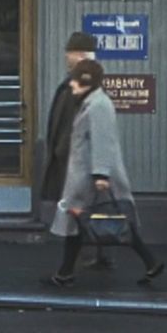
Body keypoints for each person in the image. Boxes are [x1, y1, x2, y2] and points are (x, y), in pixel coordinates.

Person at [42, 59, 165, 288]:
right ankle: (150, 262)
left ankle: (65, 274)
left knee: (92, 221)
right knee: (83, 222)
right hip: (86, 175)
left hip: (90, 178)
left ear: (86, 82)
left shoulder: (98, 105)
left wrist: (100, 175)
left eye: (75, 81)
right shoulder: (91, 102)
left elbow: (103, 141)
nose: (71, 85)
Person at [39, 31, 109, 270]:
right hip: (72, 158)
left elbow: (75, 124)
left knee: (78, 211)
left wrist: (63, 152)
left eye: (69, 52)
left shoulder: (81, 84)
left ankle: (78, 264)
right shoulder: (82, 81)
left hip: (73, 160)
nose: (66, 56)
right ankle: (90, 257)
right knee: (79, 211)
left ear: (79, 54)